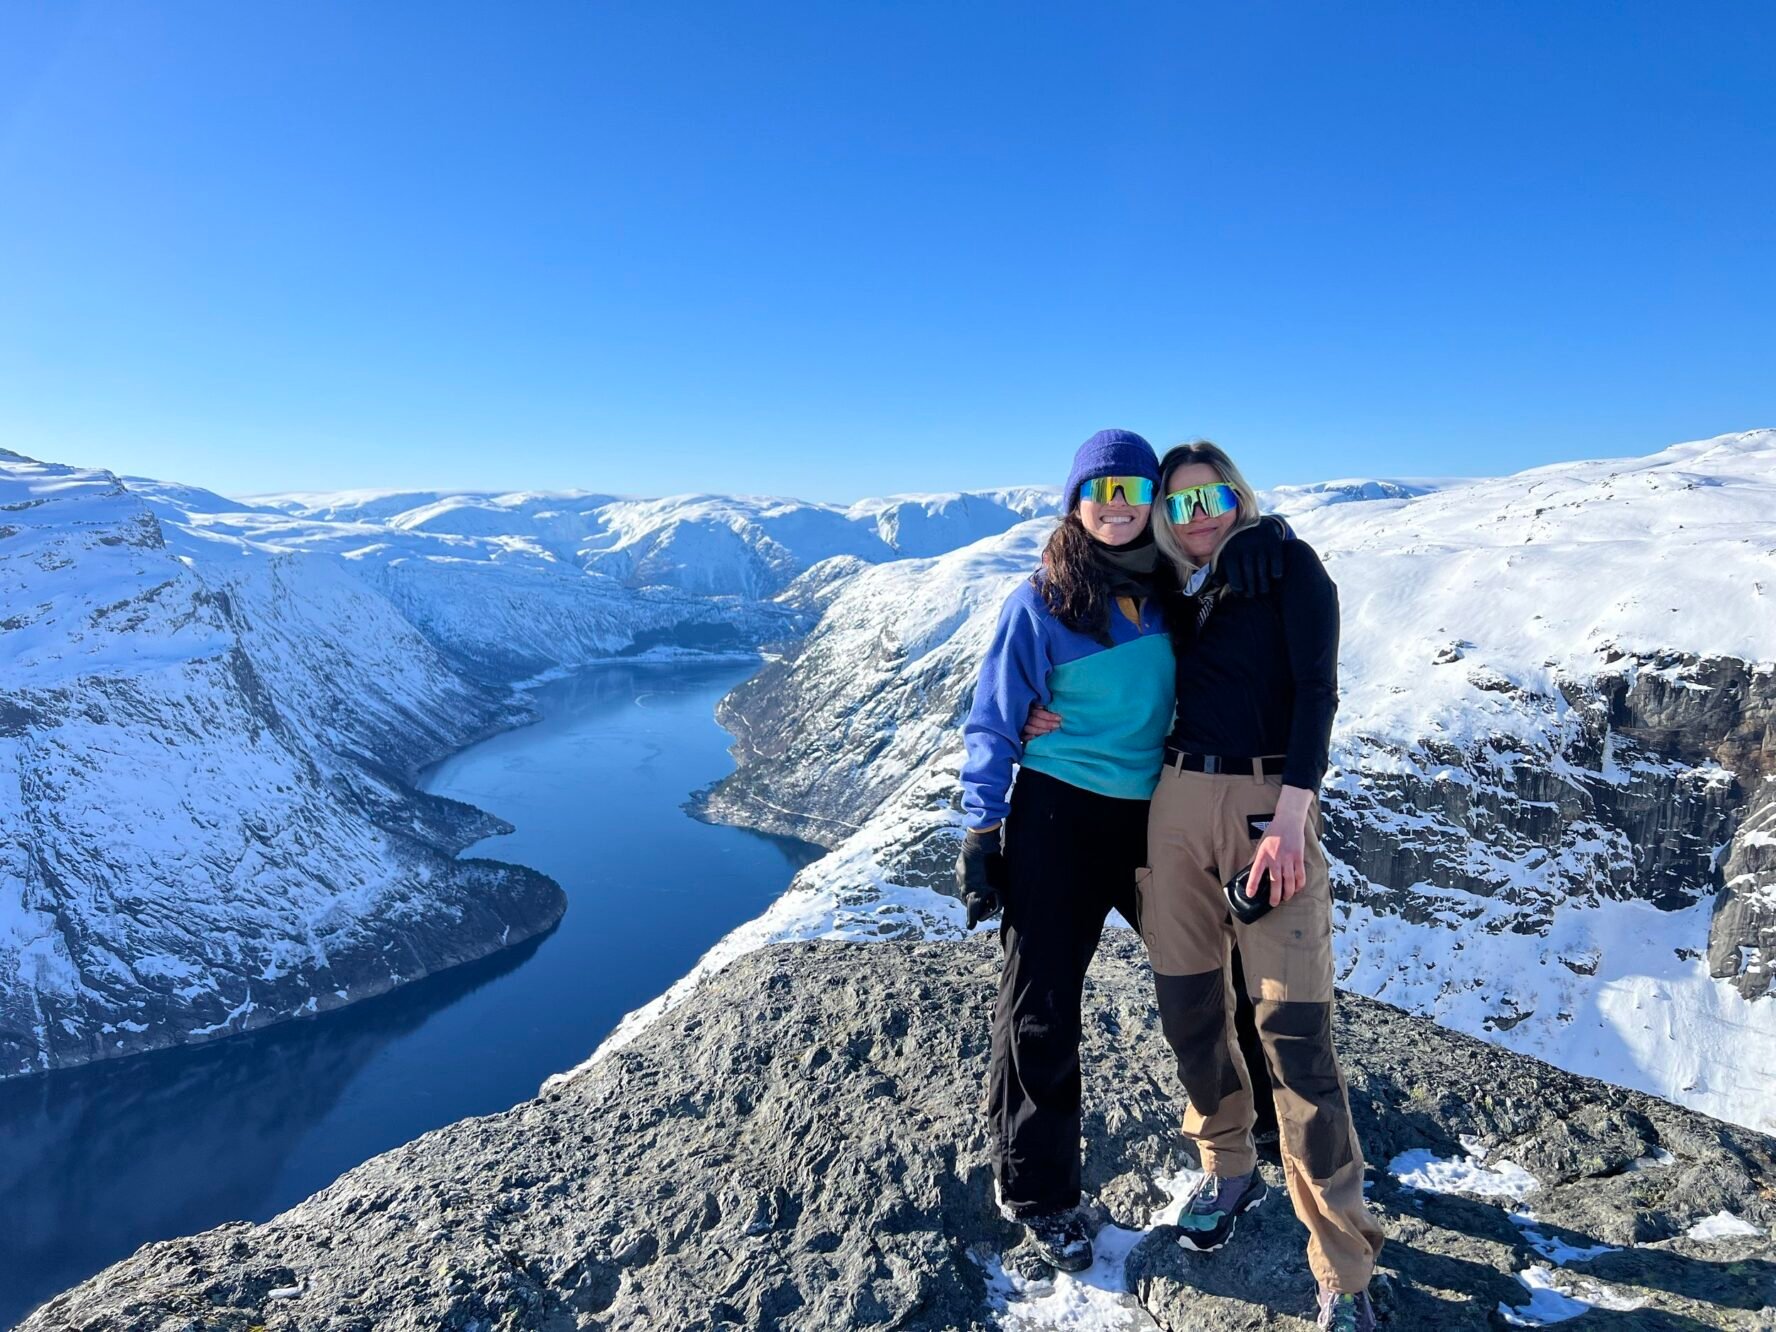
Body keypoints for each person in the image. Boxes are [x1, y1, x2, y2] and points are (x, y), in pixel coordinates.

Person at [954, 428, 1285, 1274]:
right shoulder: (1040, 602)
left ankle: (1258, 1142)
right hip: (1059, 819)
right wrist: (982, 831)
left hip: (1153, 819)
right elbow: (994, 719)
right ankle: (1040, 1191)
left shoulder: (1175, 587)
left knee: (1208, 978)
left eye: (1132, 494)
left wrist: (1269, 538)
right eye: (1099, 494)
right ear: (1075, 503)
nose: (1115, 509)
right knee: (1041, 1003)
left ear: (1151, 505)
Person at [1142, 441, 1384, 1331]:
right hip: (1172, 804)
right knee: (1191, 1006)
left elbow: (1316, 691)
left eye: (1215, 497)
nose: (1197, 514)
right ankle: (1228, 1163)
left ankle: (1345, 1266)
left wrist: (1290, 818)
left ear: (1238, 496)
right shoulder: (1166, 585)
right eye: (1181, 503)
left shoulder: (1288, 568)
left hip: (1264, 804)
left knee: (1291, 1028)